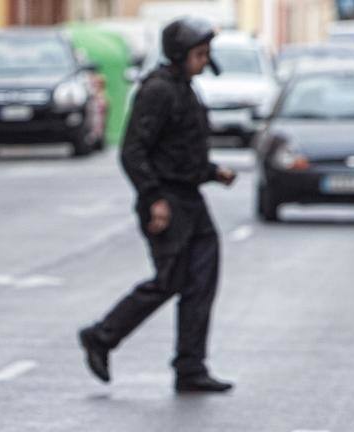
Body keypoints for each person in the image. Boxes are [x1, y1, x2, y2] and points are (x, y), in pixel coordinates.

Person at [78, 17, 237, 393]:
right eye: (199, 54)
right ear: (180, 54)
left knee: (201, 282)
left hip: (191, 200)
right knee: (171, 280)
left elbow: (178, 150)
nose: (205, 60)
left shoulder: (184, 87)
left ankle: (190, 367)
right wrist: (154, 199)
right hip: (167, 201)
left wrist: (213, 172)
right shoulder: (159, 91)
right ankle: (102, 336)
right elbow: (133, 152)